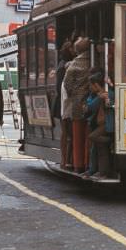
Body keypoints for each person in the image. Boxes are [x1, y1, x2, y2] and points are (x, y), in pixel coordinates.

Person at [63, 37, 91, 173]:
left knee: (78, 133)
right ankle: (88, 163)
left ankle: (78, 164)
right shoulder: (93, 61)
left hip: (78, 102)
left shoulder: (74, 64)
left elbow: (67, 84)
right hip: (92, 99)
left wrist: (74, 94)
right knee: (89, 132)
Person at [83, 72, 115, 180]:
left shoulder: (109, 93)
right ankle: (99, 171)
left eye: (91, 85)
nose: (90, 87)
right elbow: (90, 107)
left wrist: (103, 98)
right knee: (99, 148)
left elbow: (112, 104)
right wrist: (99, 98)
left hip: (107, 125)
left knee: (93, 137)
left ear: (96, 84)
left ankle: (109, 140)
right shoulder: (94, 95)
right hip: (97, 124)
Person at [55, 41, 74, 169]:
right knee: (66, 132)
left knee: (66, 133)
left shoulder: (62, 64)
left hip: (62, 101)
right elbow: (61, 87)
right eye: (72, 48)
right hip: (63, 102)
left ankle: (66, 159)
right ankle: (64, 159)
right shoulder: (64, 66)